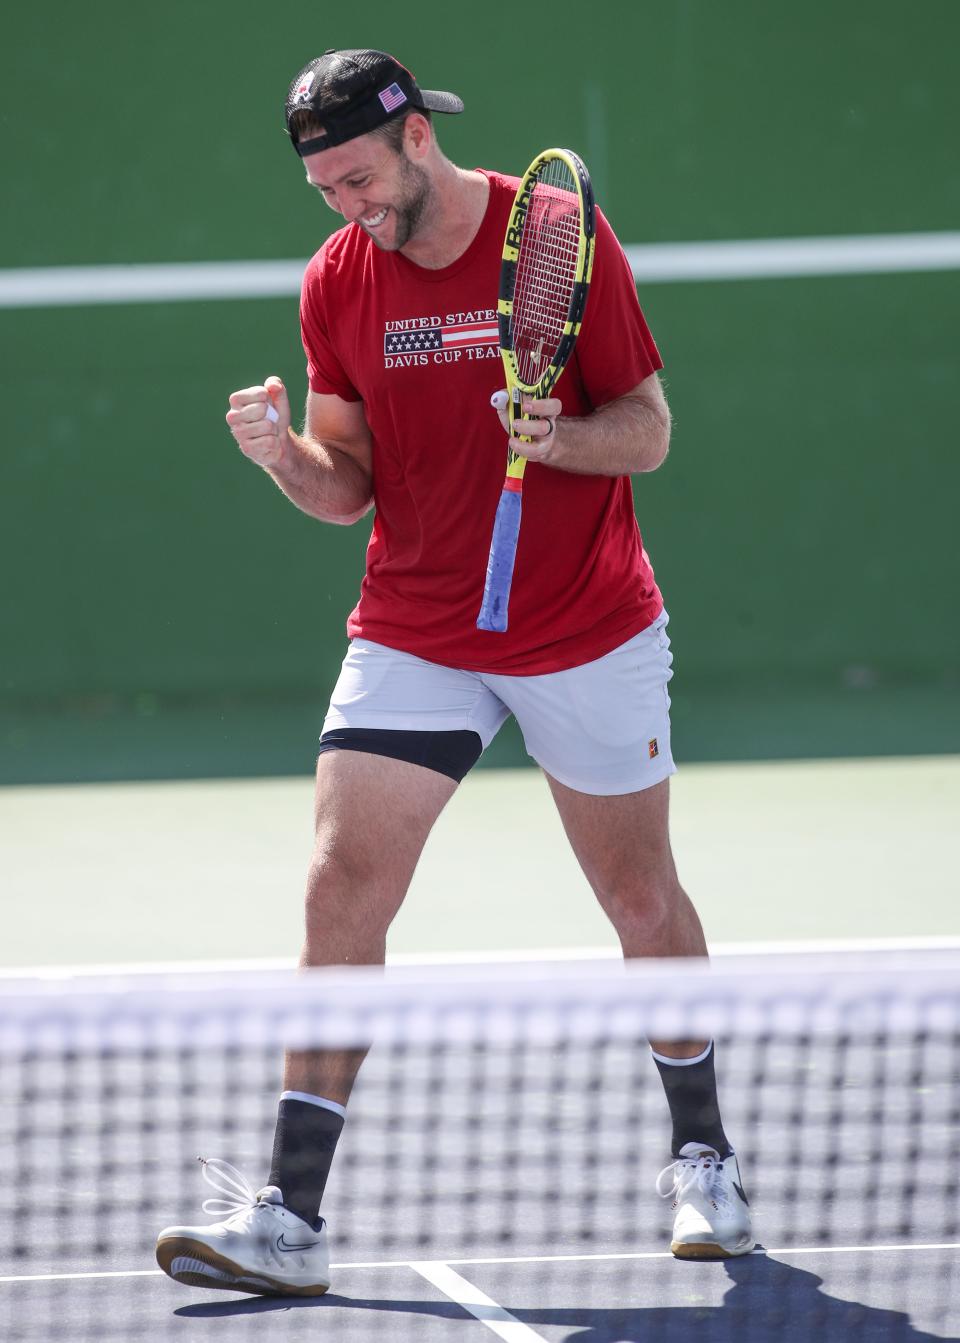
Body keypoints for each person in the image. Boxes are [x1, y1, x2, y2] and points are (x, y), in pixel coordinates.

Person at [155, 47, 753, 1297]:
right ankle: (291, 1218)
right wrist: (279, 456)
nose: (345, 206)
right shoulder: (337, 281)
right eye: (324, 189)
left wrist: (564, 435)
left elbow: (647, 425)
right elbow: (346, 483)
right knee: (340, 887)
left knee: (640, 898)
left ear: (417, 135)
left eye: (359, 177)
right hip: (419, 623)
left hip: (583, 622)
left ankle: (705, 1157)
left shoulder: (557, 240)